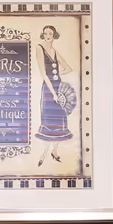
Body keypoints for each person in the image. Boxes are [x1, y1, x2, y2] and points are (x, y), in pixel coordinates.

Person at [34, 25, 76, 167]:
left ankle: (55, 151)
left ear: (54, 35)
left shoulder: (55, 52)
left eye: (50, 33)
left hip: (58, 86)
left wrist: (58, 76)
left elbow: (69, 68)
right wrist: (54, 94)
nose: (47, 36)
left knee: (59, 121)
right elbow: (44, 75)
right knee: (49, 122)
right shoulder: (39, 48)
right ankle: (44, 152)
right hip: (49, 89)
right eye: (45, 33)